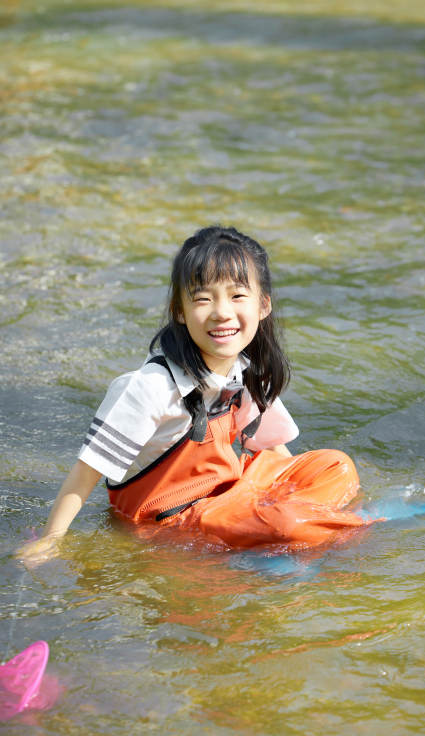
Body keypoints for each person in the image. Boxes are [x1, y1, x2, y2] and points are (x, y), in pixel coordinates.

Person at [18, 226, 365, 564]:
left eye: (237, 295)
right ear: (180, 311)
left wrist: (294, 492)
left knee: (336, 466)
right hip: (179, 520)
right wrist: (49, 542)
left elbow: (274, 450)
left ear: (263, 305)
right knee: (288, 526)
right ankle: (318, 531)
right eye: (203, 298)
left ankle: (300, 529)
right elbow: (85, 473)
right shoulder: (148, 387)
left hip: (234, 491)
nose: (221, 312)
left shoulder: (243, 369)